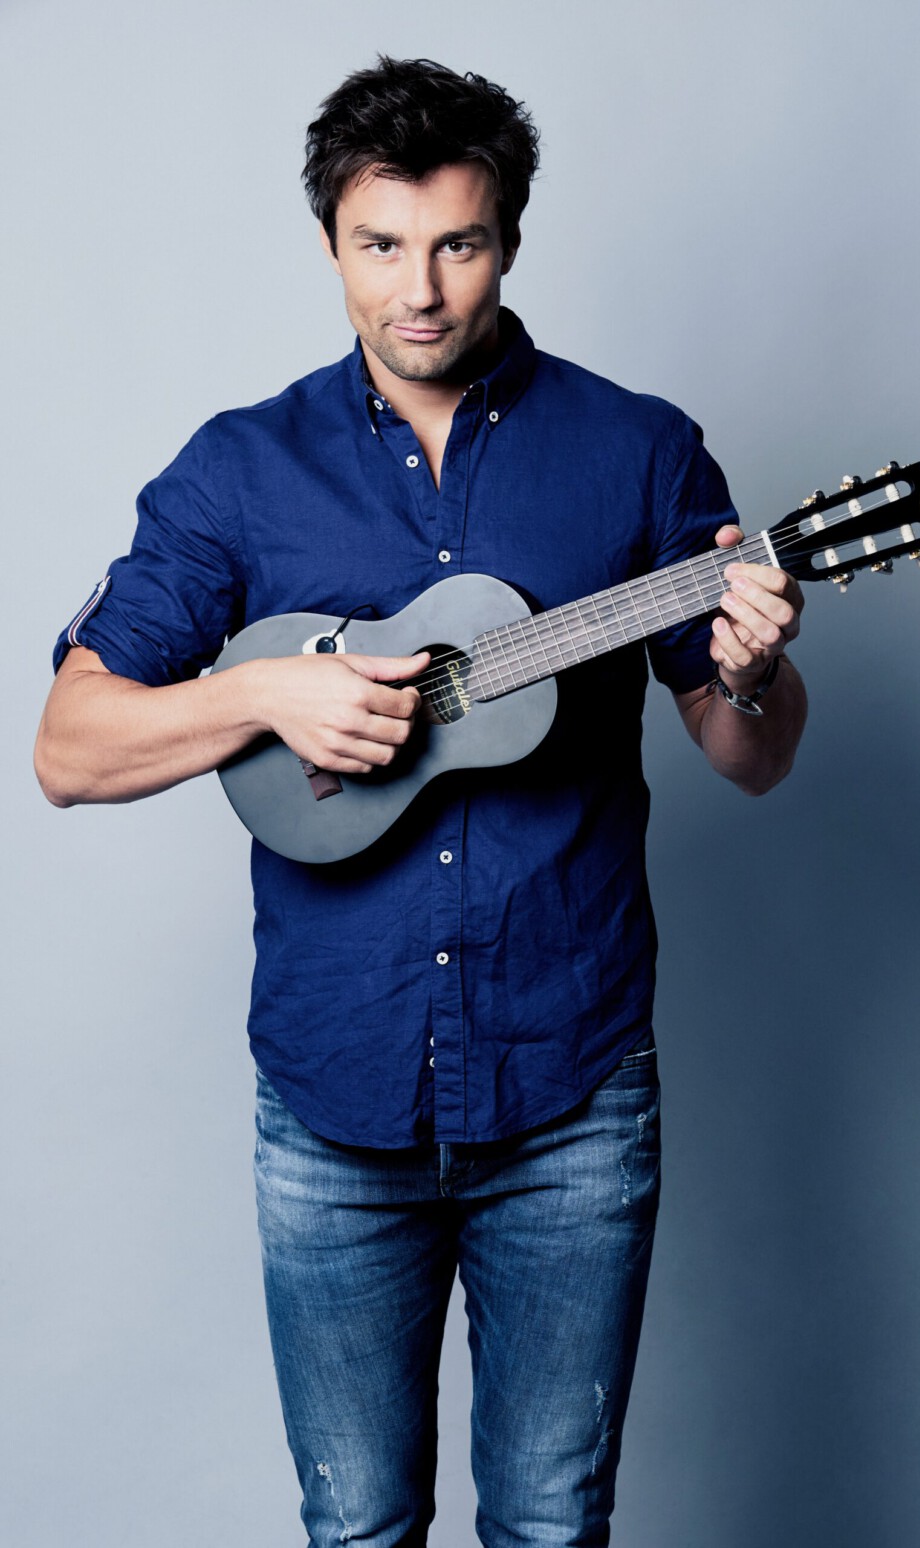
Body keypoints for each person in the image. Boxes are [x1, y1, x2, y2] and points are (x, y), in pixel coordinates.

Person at [34, 56, 807, 1548]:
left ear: (507, 238)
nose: (421, 291)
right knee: (357, 1532)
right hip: (333, 1098)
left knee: (552, 1527)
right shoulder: (239, 472)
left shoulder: (638, 450)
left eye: (458, 243)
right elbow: (70, 749)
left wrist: (753, 667)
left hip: (573, 1088)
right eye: (380, 246)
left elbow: (747, 754)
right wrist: (266, 696)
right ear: (330, 241)